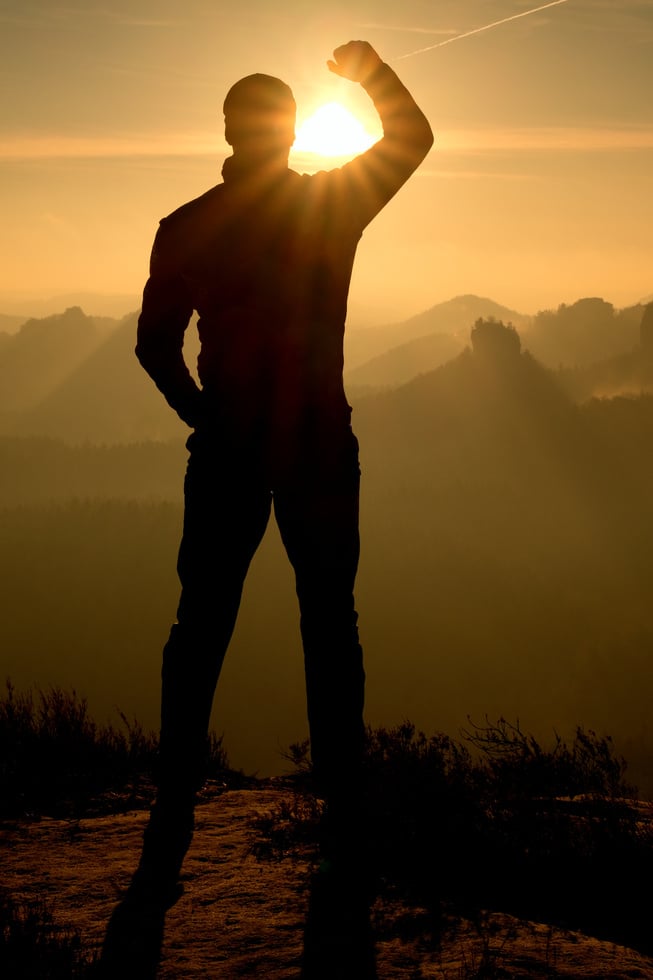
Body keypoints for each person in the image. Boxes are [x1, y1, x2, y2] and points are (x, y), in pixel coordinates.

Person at [134, 40, 433, 902]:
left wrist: (202, 414)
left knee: (201, 623)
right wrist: (369, 70)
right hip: (315, 443)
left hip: (228, 448)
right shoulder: (330, 208)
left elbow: (154, 347)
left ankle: (174, 795)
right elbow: (411, 138)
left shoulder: (186, 226)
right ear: (292, 132)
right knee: (329, 622)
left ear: (228, 131)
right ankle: (341, 803)